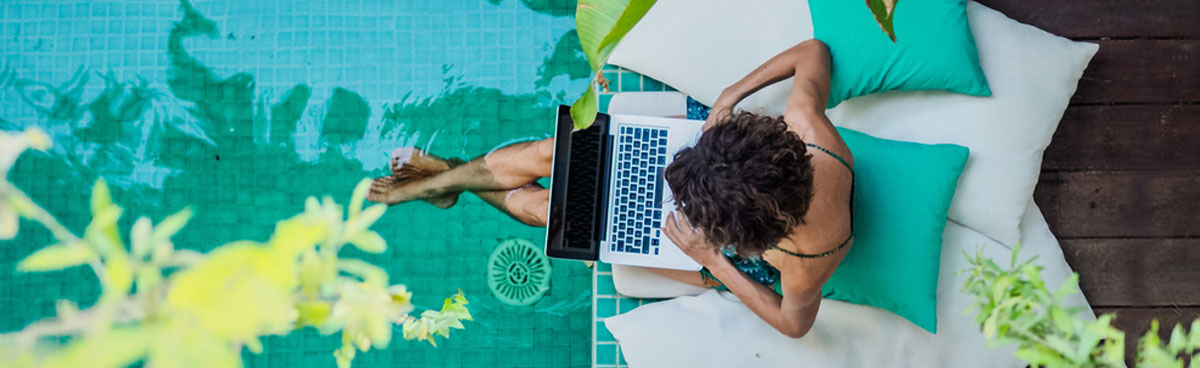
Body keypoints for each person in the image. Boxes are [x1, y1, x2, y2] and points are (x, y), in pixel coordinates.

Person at [367, 40, 852, 339]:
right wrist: (728, 100)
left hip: (716, 250)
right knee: (551, 153)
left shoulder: (808, 260)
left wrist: (712, 258)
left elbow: (795, 324)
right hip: (726, 173)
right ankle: (446, 182)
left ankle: (443, 182)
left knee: (552, 212)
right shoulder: (805, 127)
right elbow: (813, 52)